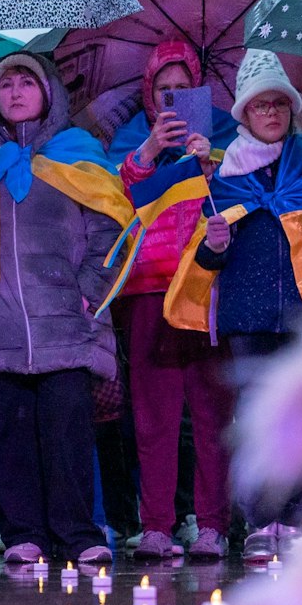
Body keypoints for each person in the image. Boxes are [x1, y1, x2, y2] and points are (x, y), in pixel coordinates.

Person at [176, 50, 302, 564]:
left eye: (280, 103)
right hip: (247, 315)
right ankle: (260, 520)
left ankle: (299, 517)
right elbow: (204, 260)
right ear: (244, 115)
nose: (272, 113)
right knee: (257, 419)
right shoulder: (222, 176)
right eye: (261, 106)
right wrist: (213, 243)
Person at [0, 52, 129, 566]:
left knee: (67, 434)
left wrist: (86, 290)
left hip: (66, 321)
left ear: (49, 93)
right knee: (10, 433)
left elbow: (114, 230)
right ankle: (23, 533)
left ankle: (78, 535)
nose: (15, 91)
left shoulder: (77, 153)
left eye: (26, 82)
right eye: (5, 83)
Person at [116, 41, 238, 560]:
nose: (171, 98)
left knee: (211, 414)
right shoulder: (130, 143)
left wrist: (210, 166)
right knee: (154, 416)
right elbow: (118, 206)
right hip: (148, 290)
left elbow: (241, 203)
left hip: (204, 288)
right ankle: (158, 527)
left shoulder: (226, 139)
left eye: (181, 89)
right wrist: (148, 153)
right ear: (149, 93)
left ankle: (213, 524)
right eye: (162, 89)